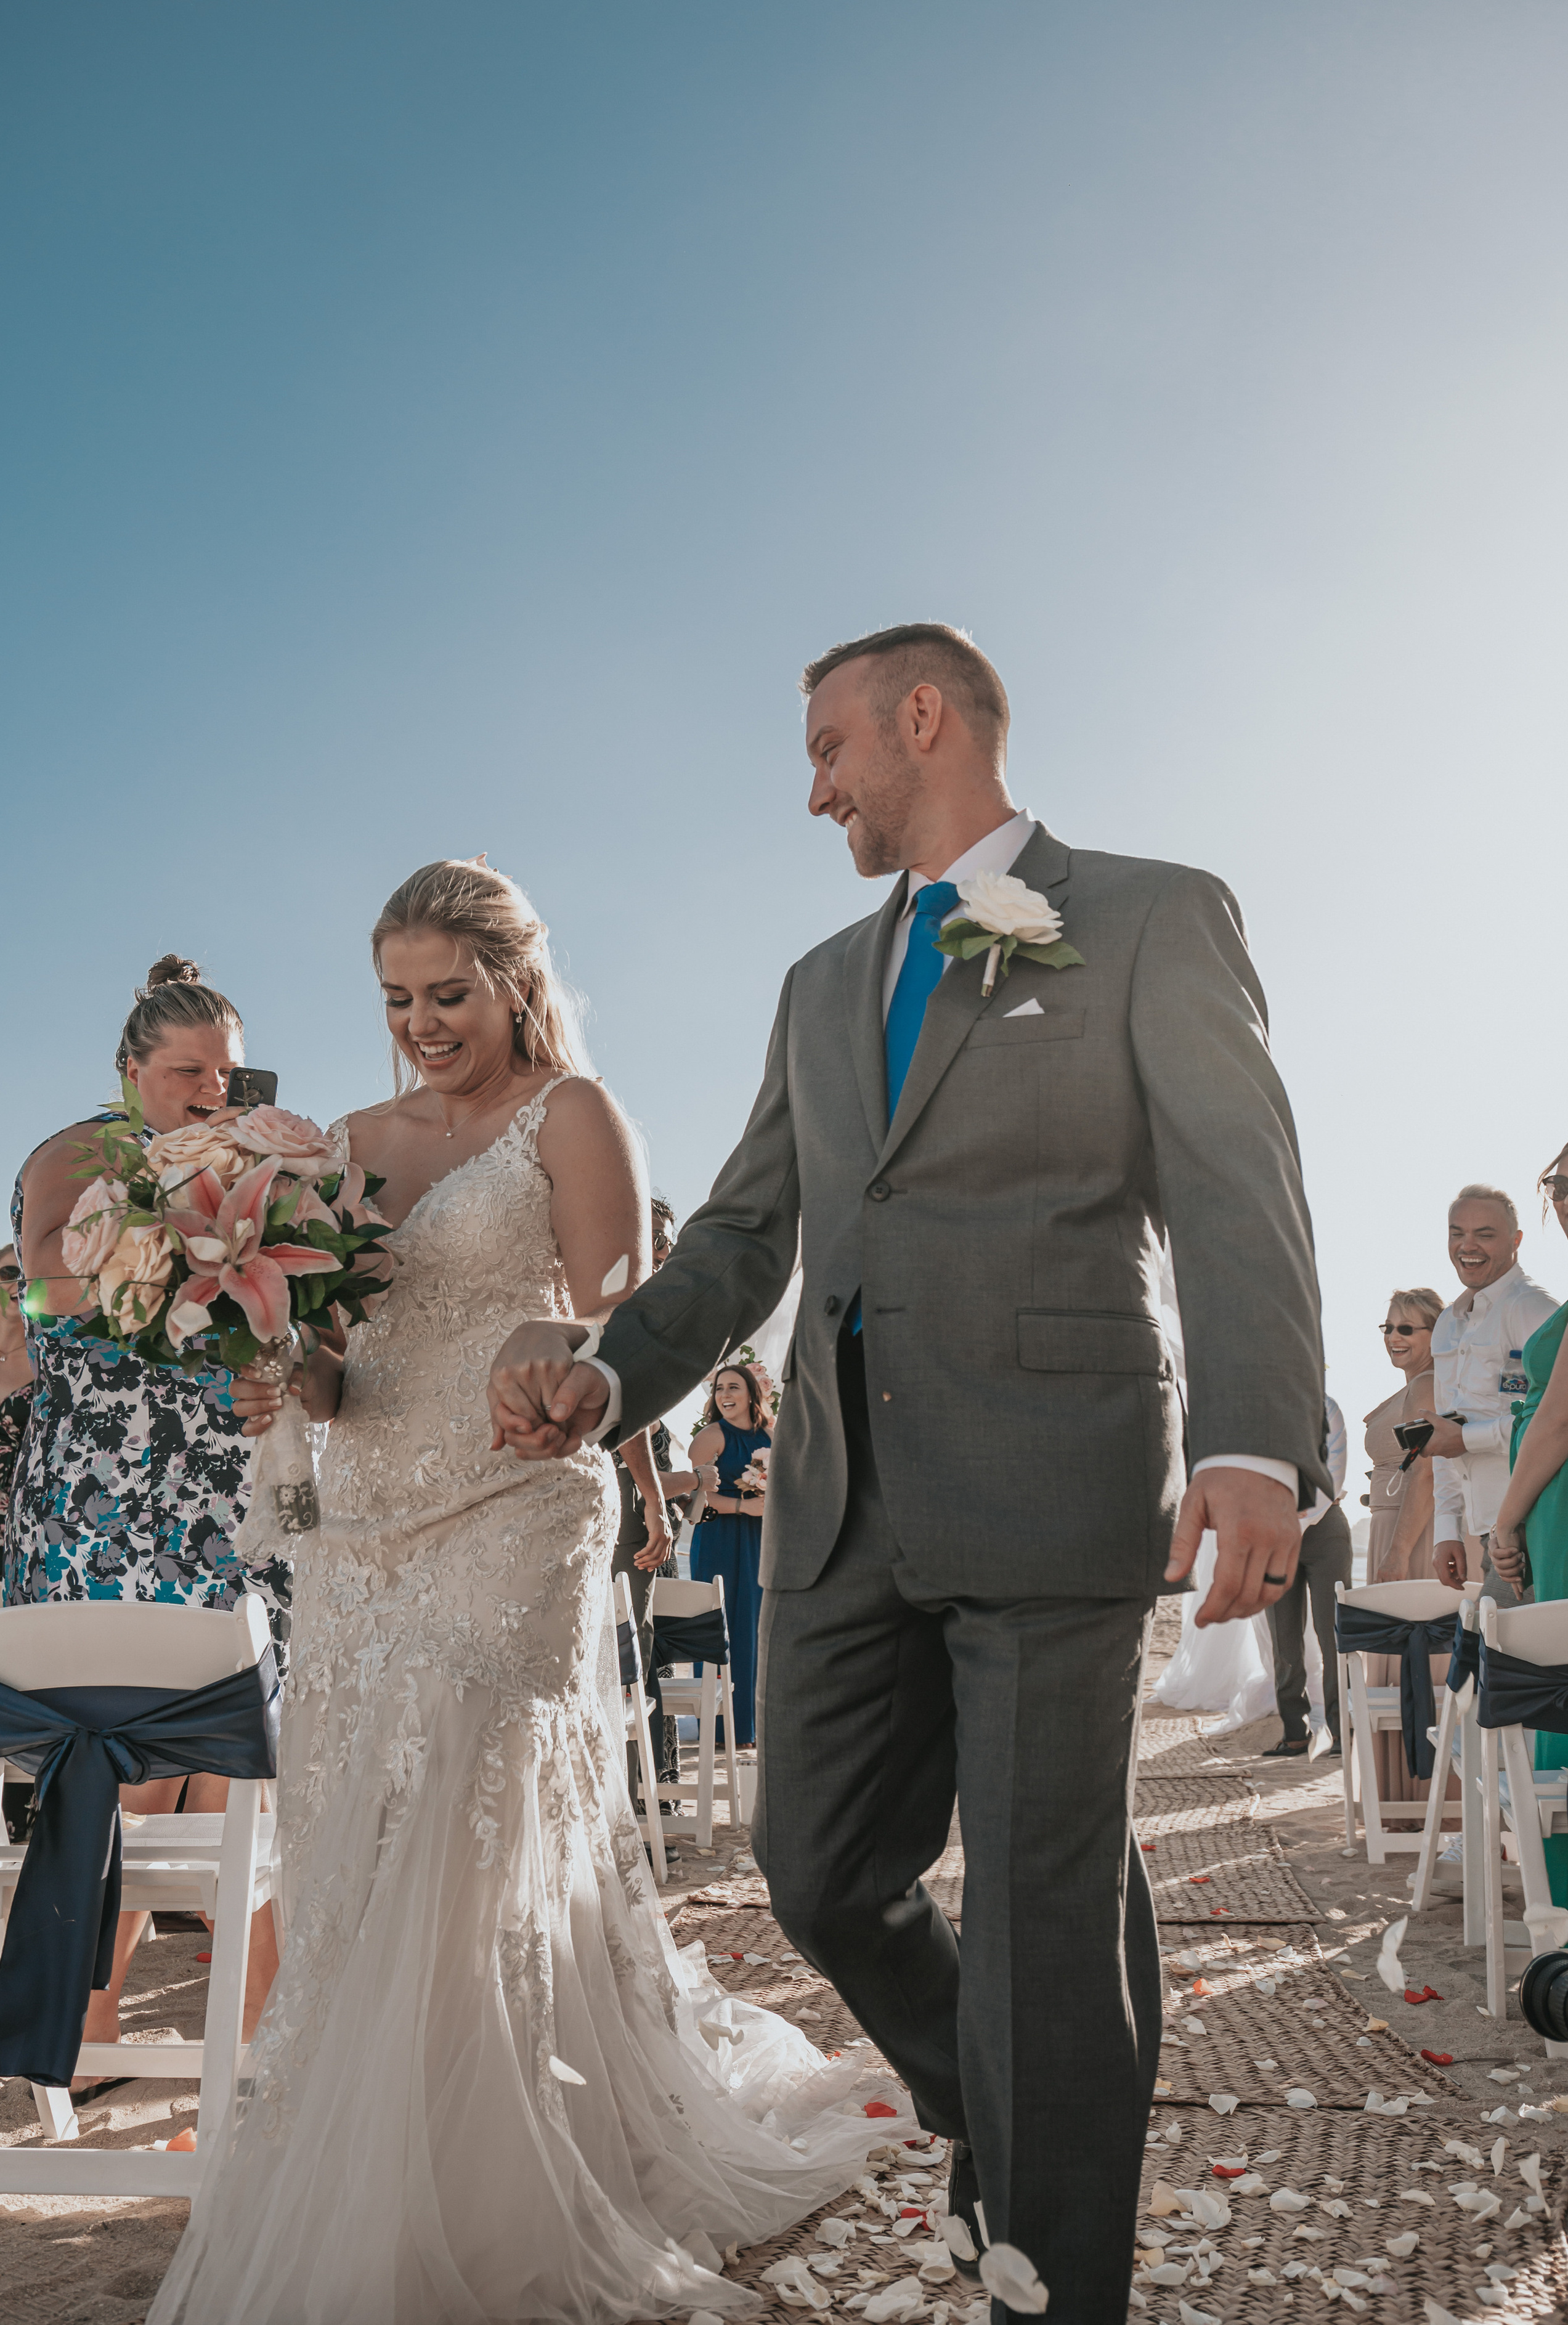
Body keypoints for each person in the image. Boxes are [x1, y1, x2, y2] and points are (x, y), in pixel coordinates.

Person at [486, 622, 1331, 2321]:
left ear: (921, 716)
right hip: (839, 1497)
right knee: (813, 1866)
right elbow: (741, 1235)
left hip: (1055, 1473)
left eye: (828, 749)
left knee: (1037, 1906)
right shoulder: (817, 984)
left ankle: (1050, 2272)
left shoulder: (1152, 914)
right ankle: (1000, 2107)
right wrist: (612, 1368)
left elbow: (1234, 1188)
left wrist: (1255, 1442)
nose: (814, 791)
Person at [152, 860, 908, 2325]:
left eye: (449, 992)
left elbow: (623, 1305)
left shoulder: (572, 1115)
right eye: (396, 998)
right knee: (360, 1840)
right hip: (362, 1528)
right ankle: (374, 2171)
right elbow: (336, 1365)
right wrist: (277, 1364)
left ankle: (505, 2179)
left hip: (518, 1504)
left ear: (513, 980)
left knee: (470, 1824)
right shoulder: (344, 1145)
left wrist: (560, 1350)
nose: (422, 1023)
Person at [6, 957, 283, 2068]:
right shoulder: (76, 1153)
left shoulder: (245, 1164)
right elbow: (44, 1283)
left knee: (237, 1758)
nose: (214, 1090)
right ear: (130, 1070)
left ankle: (256, 2031)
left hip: (221, 1498)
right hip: (106, 1504)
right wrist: (192, 1247)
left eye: (227, 1070)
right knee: (132, 1758)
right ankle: (94, 2012)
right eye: (187, 1071)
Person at [1487, 1149, 1568, 1901]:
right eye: (1558, 1183)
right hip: (1551, 1509)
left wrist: (1505, 1524)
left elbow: (1557, 1421)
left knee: (1557, 1665)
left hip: (1556, 1508)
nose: (1565, 1197)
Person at [1426, 1184, 1558, 1605]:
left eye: (1485, 1234)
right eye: (1457, 1233)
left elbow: (1553, 1420)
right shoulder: (1448, 1322)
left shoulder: (1533, 1309)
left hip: (1536, 1527)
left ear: (1516, 1241)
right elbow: (1443, 1433)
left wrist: (1465, 1439)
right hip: (1489, 1533)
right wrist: (1447, 1529)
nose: (1468, 1246)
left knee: (1503, 1648)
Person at [612, 1194, 681, 1820]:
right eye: (654, 1236)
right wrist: (656, 1499)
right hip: (617, 1504)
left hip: (627, 1505)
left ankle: (642, 1796)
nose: (661, 1250)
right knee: (624, 1651)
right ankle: (629, 1808)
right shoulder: (618, 1300)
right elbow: (625, 1404)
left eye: (665, 1241)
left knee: (636, 1650)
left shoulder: (655, 1307)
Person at [1361, 1289, 1444, 1804]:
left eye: (1407, 1328)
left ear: (1437, 1333)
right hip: (1391, 1528)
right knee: (1403, 1665)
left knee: (1419, 1665)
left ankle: (1425, 1801)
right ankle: (1406, 1802)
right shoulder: (1414, 1385)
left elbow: (1428, 1472)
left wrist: (1398, 1551)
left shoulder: (1428, 1385)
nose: (1394, 1336)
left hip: (1410, 1537)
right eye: (1388, 1327)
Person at [683, 1360, 773, 1751]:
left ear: (752, 1393)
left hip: (760, 1539)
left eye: (734, 1387)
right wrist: (742, 1507)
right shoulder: (710, 1437)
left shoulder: (771, 1434)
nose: (724, 1395)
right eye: (719, 1389)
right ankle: (719, 1729)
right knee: (719, 1625)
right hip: (719, 1537)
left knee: (754, 1624)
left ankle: (751, 1726)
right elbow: (695, 1496)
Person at [1263, 1392, 1351, 1757]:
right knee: (1283, 1639)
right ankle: (1295, 1733)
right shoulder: (1252, 1410)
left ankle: (1342, 1731)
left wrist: (1293, 1525)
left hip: (1325, 1531)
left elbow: (1332, 1476)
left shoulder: (1326, 1407)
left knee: (1334, 1634)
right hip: (1271, 1533)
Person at [0, 1244, 33, 1591]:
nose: (19, 1282)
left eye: (27, 1275)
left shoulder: (47, 1361)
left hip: (12, 1520)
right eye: (9, 1273)